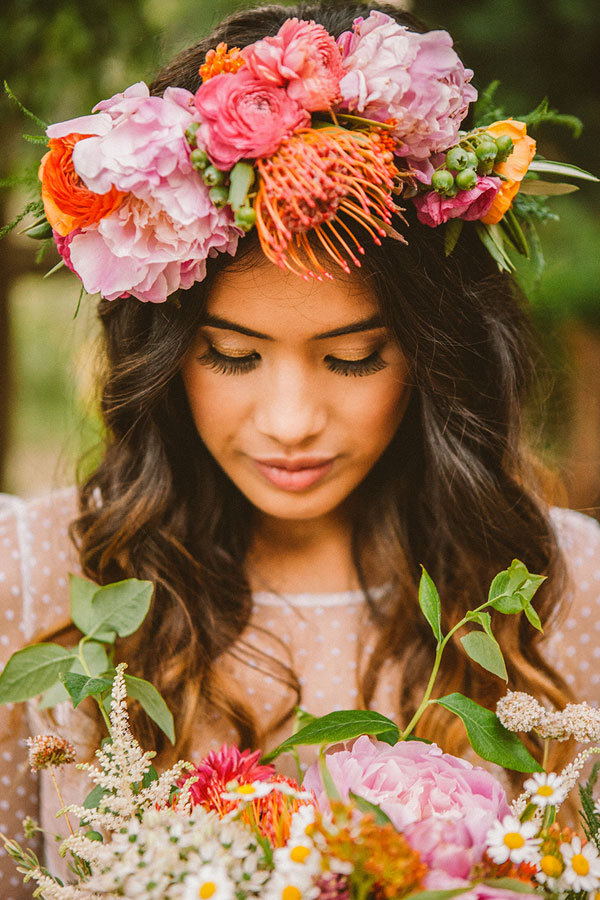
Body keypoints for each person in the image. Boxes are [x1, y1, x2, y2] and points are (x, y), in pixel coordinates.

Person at [1, 1, 599, 895]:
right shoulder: (33, 576)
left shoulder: (568, 591)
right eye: (233, 356)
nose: (290, 420)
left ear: (435, 357)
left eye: (353, 359)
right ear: (165, 355)